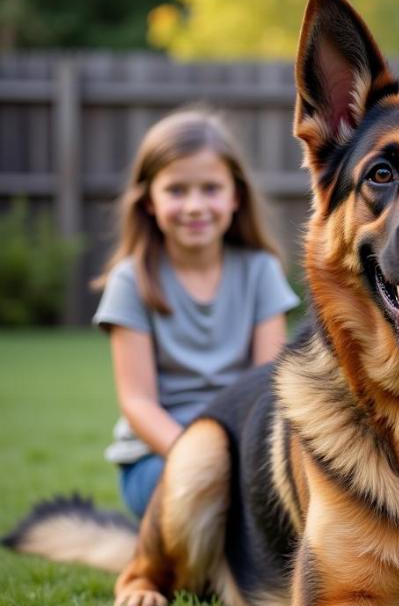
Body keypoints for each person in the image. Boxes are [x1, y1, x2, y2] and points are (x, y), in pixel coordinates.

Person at [92, 108, 300, 518]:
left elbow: (267, 387)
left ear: (235, 196)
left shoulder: (261, 271)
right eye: (176, 190)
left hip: (244, 449)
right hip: (159, 458)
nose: (194, 206)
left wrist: (238, 461)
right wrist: (198, 459)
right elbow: (137, 402)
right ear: (149, 200)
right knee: (202, 501)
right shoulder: (131, 281)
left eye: (210, 188)